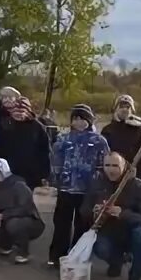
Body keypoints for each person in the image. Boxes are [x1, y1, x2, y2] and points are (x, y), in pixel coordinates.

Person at [48, 104, 110, 267]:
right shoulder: (64, 138)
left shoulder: (99, 141)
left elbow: (104, 163)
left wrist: (100, 184)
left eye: (82, 119)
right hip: (66, 188)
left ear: (89, 121)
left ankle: (77, 256)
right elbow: (56, 160)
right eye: (75, 118)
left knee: (82, 223)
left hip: (87, 190)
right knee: (61, 223)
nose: (78, 122)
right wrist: (56, 179)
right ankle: (56, 256)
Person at [83, 152, 141, 280]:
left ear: (124, 166)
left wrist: (123, 213)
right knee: (99, 247)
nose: (111, 169)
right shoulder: (98, 184)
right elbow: (84, 210)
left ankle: (135, 278)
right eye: (107, 165)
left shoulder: (139, 187)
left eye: (115, 165)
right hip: (109, 233)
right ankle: (117, 262)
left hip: (133, 235)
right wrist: (94, 211)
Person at [0, 158, 45, 264]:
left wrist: (3, 215)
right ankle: (6, 245)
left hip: (30, 222)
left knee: (14, 224)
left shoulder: (19, 185)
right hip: (5, 222)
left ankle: (23, 252)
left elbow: (25, 208)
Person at [0, 96, 50, 190]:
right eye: (15, 112)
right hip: (8, 173)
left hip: (31, 175)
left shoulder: (37, 128)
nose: (18, 114)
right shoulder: (5, 125)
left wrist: (44, 174)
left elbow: (44, 151)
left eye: (21, 111)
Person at [101, 95, 141, 182]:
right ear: (116, 109)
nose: (125, 109)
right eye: (121, 106)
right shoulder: (107, 130)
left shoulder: (138, 130)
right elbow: (102, 156)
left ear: (132, 110)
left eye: (128, 107)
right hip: (111, 176)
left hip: (131, 177)